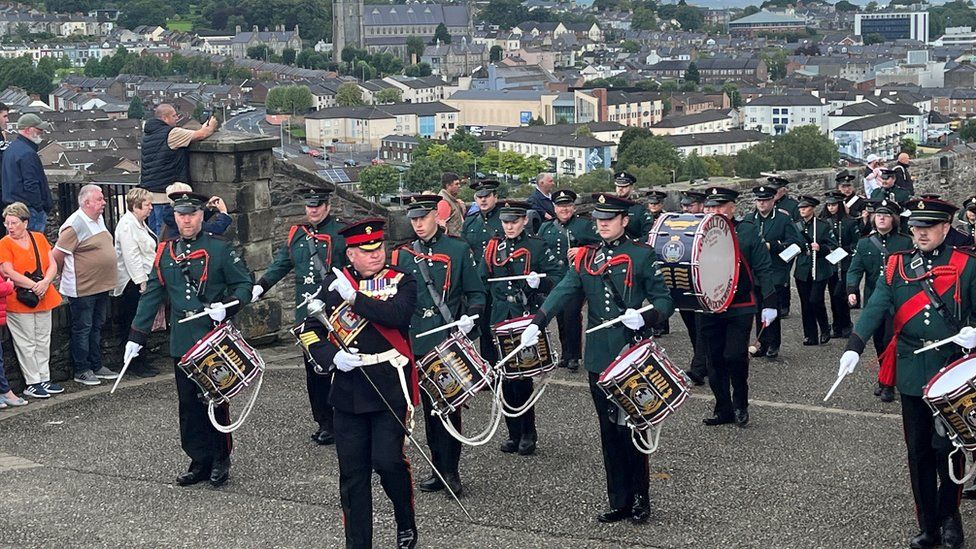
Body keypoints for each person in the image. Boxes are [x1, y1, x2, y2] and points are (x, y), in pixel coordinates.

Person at [522, 192, 674, 524]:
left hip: (631, 354)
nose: (602, 224)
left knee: (633, 429)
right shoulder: (586, 259)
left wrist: (646, 317)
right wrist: (538, 322)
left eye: (609, 219)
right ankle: (618, 500)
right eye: (599, 220)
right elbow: (564, 289)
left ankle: (639, 499)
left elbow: (665, 301)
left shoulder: (641, 256)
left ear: (624, 221)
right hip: (599, 357)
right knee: (609, 431)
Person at [838, 197, 976, 549]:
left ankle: (950, 518)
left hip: (952, 370)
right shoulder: (898, 264)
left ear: (946, 227)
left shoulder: (966, 264)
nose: (920, 234)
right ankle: (928, 523)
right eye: (916, 228)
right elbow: (877, 306)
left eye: (928, 227)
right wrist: (854, 344)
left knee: (949, 448)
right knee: (918, 452)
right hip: (913, 370)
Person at [294, 217, 419, 549]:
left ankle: (405, 518)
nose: (375, 254)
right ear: (351, 255)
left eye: (378, 248)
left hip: (389, 385)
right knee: (353, 475)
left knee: (388, 461)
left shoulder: (402, 281)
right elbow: (308, 330)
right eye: (366, 251)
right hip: (349, 389)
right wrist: (331, 356)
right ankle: (358, 543)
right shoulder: (332, 285)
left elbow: (398, 316)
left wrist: (355, 299)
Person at [124, 191, 252, 488]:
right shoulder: (166, 251)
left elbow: (244, 284)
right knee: (188, 405)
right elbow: (153, 294)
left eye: (192, 214)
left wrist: (229, 306)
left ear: (201, 216)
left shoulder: (219, 248)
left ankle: (221, 457)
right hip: (183, 340)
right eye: (181, 215)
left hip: (212, 336)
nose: (187, 220)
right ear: (176, 217)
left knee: (215, 400)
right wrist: (136, 335)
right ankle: (198, 460)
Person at [392, 194, 486, 497]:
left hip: (447, 343)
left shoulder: (458, 250)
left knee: (449, 408)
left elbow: (476, 293)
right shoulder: (403, 254)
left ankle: (451, 472)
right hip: (416, 341)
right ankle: (436, 468)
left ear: (436, 215)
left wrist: (470, 318)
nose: (418, 224)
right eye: (413, 219)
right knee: (429, 411)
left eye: (423, 217)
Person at [253, 186, 345, 445]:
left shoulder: (340, 233)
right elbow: (282, 263)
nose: (313, 210)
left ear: (327, 206)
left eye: (317, 205)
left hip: (335, 312)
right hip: (307, 314)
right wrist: (261, 285)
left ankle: (342, 419)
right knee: (314, 370)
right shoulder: (298, 234)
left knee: (338, 368)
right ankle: (324, 421)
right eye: (309, 206)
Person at [481, 200, 561, 456]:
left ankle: (528, 432)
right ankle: (513, 432)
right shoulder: (494, 246)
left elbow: (559, 279)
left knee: (523, 376)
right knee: (504, 377)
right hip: (499, 316)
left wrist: (540, 282)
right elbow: (483, 278)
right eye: (505, 222)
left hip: (523, 317)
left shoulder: (536, 246)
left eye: (514, 221)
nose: (509, 226)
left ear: (524, 220)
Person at [698, 187, 776, 426]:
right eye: (710, 207)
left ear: (733, 208)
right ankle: (723, 409)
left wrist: (770, 302)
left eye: (720, 206)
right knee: (714, 361)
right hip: (709, 306)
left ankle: (741, 403)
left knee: (735, 356)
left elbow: (763, 267)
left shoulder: (747, 231)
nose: (714, 211)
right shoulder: (698, 233)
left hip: (740, 304)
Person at [845, 199, 912, 403]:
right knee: (879, 342)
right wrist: (852, 288)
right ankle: (885, 378)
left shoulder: (905, 242)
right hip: (875, 299)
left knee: (892, 341)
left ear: (894, 219)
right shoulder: (865, 242)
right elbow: (855, 268)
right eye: (879, 215)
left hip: (899, 301)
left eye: (887, 215)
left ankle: (889, 383)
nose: (882, 218)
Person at [52, 184, 119, 386]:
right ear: (86, 202)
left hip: (100, 285)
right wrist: (65, 274)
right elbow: (57, 255)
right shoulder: (75, 224)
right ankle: (82, 369)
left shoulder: (97, 219)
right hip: (82, 288)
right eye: (99, 199)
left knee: (96, 326)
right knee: (83, 328)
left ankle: (96, 364)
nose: (104, 202)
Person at [0, 202, 62, 399]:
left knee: (43, 339)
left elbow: (52, 263)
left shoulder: (39, 238)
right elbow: (7, 270)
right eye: (7, 223)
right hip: (20, 298)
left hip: (43, 294)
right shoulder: (4, 243)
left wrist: (45, 282)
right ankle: (33, 381)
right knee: (26, 341)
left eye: (14, 222)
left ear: (25, 223)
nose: (10, 226)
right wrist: (34, 285)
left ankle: (44, 377)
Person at [537, 189, 599, 372]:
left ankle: (574, 355)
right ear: (554, 208)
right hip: (554, 279)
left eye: (568, 205)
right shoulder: (545, 227)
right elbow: (539, 249)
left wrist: (583, 250)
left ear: (573, 207)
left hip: (577, 278)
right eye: (560, 206)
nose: (564, 209)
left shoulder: (585, 225)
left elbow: (601, 244)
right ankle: (565, 354)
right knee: (559, 316)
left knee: (572, 315)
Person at [744, 185, 804, 359]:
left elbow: (796, 244)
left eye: (765, 200)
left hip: (775, 271)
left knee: (771, 308)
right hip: (754, 272)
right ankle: (761, 342)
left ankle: (773, 343)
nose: (761, 204)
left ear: (773, 200)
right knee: (757, 309)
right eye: (759, 200)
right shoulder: (749, 219)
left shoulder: (783, 219)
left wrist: (774, 246)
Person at [140, 103, 218, 234]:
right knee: (166, 235)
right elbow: (201, 135)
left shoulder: (148, 135)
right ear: (165, 118)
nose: (177, 118)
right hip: (166, 196)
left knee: (155, 236)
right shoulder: (171, 133)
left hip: (152, 195)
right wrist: (212, 125)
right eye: (174, 116)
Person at [112, 188, 159, 378]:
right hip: (133, 282)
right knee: (133, 321)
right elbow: (131, 255)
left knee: (141, 320)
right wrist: (141, 281)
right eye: (147, 204)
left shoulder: (138, 223)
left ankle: (140, 359)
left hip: (142, 278)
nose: (151, 208)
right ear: (136, 205)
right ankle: (134, 362)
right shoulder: (127, 225)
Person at [462, 179, 503, 362]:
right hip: (480, 282)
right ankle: (489, 366)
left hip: (503, 279)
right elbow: (465, 250)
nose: (483, 200)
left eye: (487, 196)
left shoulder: (505, 218)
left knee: (503, 324)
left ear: (495, 196)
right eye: (479, 197)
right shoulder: (470, 222)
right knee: (484, 326)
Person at [794, 195, 837, 346]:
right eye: (800, 208)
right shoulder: (796, 226)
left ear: (812, 208)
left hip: (819, 268)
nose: (802, 210)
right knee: (805, 303)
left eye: (805, 207)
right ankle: (810, 335)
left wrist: (821, 248)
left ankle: (825, 328)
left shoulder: (822, 225)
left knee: (815, 300)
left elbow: (833, 246)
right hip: (802, 268)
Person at [1, 114, 54, 231]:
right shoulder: (28, 153)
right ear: (28, 130)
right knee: (32, 245)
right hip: (29, 211)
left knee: (17, 246)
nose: (42, 132)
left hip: (13, 209)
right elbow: (31, 184)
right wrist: (39, 208)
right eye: (39, 129)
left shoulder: (10, 150)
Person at [821, 191, 859, 339]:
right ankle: (837, 325)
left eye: (834, 205)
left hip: (845, 263)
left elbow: (856, 242)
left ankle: (846, 324)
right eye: (829, 205)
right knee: (832, 295)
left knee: (840, 294)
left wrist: (846, 250)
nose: (831, 208)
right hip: (830, 263)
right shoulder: (824, 222)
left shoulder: (849, 222)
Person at [157, 182, 232, 240]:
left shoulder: (170, 213)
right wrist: (224, 213)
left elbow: (197, 220)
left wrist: (208, 208)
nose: (187, 219)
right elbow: (214, 229)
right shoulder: (174, 216)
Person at [613, 171, 650, 240]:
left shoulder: (639, 210)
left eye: (624, 186)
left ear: (631, 188)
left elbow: (647, 233)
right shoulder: (609, 207)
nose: (620, 189)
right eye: (618, 186)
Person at [435, 172, 466, 236]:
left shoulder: (451, 200)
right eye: (456, 184)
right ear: (448, 185)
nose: (459, 186)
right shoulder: (443, 202)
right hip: (451, 240)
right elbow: (441, 227)